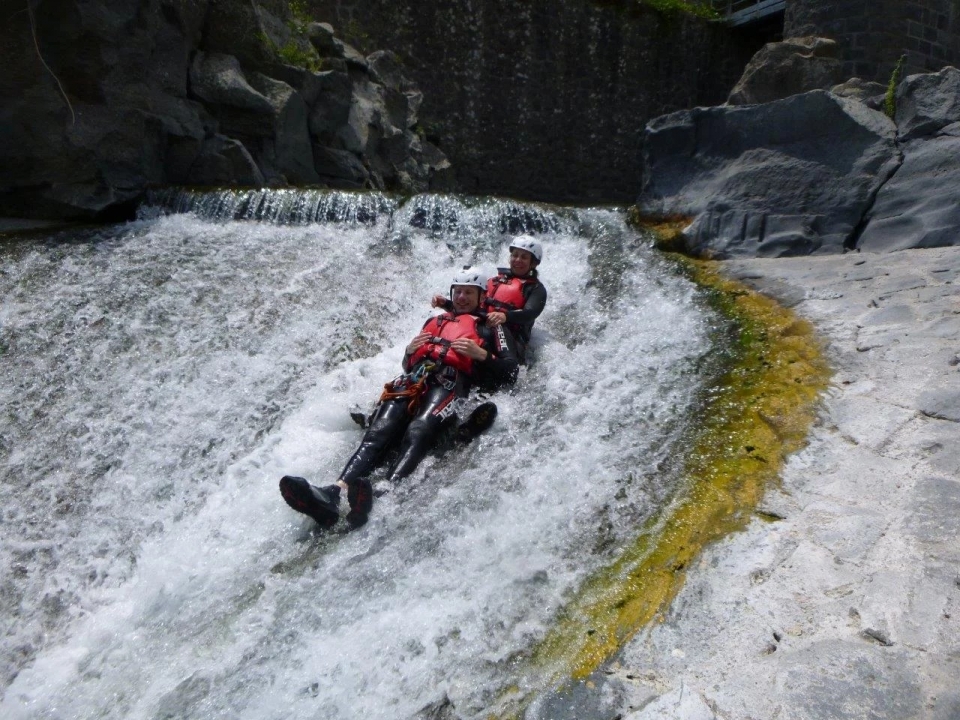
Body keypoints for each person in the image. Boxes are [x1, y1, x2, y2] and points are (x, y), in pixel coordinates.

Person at [280, 268, 519, 529]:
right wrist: (408, 352)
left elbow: (511, 371)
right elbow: (408, 365)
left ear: (481, 296)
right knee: (378, 431)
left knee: (419, 430)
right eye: (458, 292)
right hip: (412, 381)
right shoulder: (434, 321)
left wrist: (482, 355)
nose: (461, 297)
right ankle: (334, 493)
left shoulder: (491, 327)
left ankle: (384, 492)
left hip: (450, 384)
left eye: (469, 293)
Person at [432, 235, 547, 365]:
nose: (517, 260)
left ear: (534, 263)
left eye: (524, 257)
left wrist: (505, 316)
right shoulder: (493, 281)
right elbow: (473, 307)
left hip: (509, 340)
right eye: (515, 255)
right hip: (481, 330)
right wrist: (446, 304)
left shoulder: (536, 289)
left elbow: (530, 313)